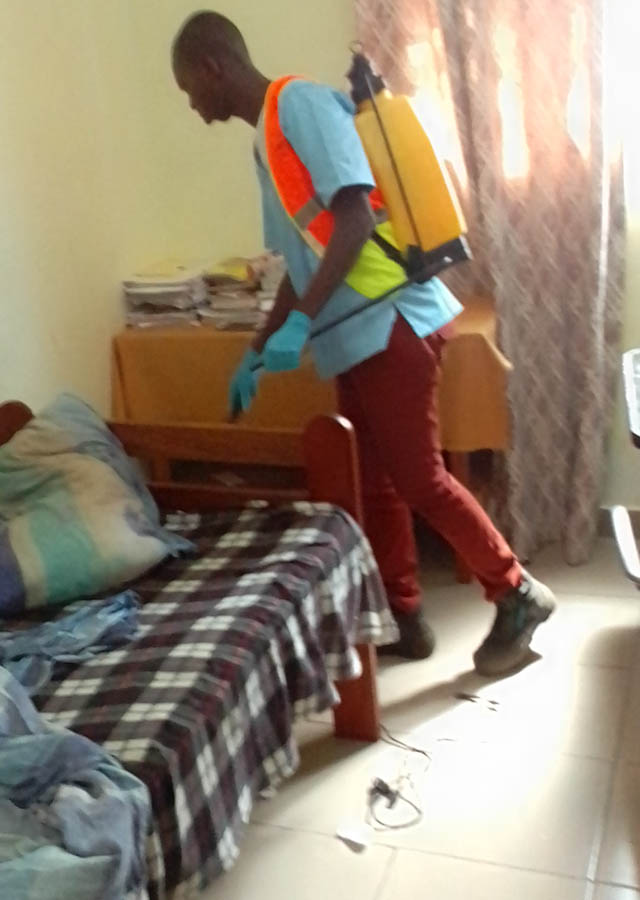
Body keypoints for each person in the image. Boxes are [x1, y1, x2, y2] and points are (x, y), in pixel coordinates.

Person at [171, 11, 555, 676]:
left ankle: (516, 591)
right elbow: (301, 263)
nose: (192, 106)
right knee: (373, 484)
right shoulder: (267, 139)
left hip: (392, 320)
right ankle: (403, 613)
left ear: (213, 67)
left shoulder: (300, 105)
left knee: (419, 478)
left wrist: (299, 324)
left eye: (189, 90)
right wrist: (258, 348)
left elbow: (354, 218)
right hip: (354, 335)